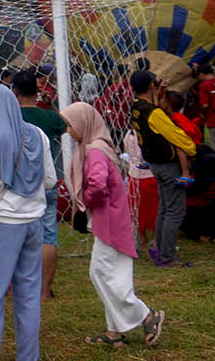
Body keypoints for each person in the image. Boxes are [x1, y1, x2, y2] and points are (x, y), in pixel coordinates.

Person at [62, 101, 166, 349]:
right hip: (115, 218)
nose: (68, 130)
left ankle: (146, 315)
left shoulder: (94, 151)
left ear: (83, 123)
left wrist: (84, 204)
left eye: (70, 124)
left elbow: (97, 185)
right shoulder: (97, 147)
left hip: (108, 219)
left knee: (100, 272)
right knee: (115, 274)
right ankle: (115, 331)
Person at [0, 84, 51, 361]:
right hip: (34, 221)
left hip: (5, 222)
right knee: (29, 295)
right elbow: (50, 180)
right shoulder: (38, 134)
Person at [128, 69, 195, 267]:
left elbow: (154, 116)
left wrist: (158, 93)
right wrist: (191, 149)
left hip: (154, 163)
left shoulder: (136, 107)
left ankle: (159, 250)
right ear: (150, 85)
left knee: (164, 209)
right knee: (175, 211)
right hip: (167, 165)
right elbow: (174, 133)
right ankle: (167, 257)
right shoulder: (153, 112)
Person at [13, 72, 65, 299]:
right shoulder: (48, 117)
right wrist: (50, 104)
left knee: (13, 234)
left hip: (16, 183)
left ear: (15, 92)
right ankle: (44, 291)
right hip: (46, 181)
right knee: (48, 236)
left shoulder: (10, 118)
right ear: (37, 92)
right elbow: (66, 125)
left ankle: (13, 287)